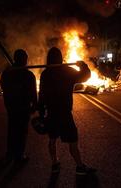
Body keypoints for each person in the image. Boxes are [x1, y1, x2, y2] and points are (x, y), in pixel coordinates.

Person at [38, 47, 94, 176]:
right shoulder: (67, 71)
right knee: (72, 140)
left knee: (52, 139)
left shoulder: (45, 74)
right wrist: (83, 66)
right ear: (60, 58)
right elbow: (85, 76)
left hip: (51, 113)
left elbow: (42, 94)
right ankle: (79, 166)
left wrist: (41, 111)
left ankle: (54, 164)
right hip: (64, 113)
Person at [0, 49, 37, 163]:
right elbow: (33, 92)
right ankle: (19, 155)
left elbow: (3, 86)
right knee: (21, 131)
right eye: (25, 58)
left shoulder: (7, 73)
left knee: (12, 129)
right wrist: (34, 106)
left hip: (11, 106)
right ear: (24, 59)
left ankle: (10, 153)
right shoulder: (28, 74)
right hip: (23, 107)